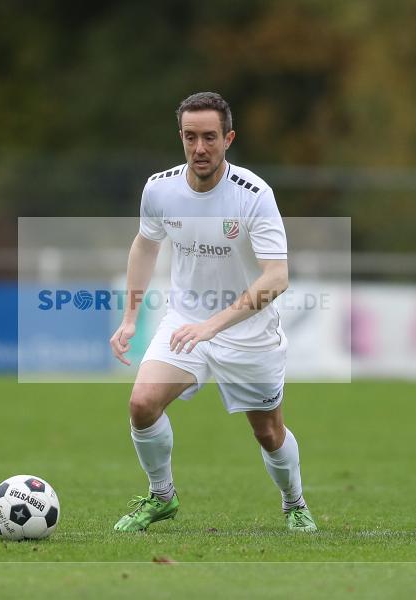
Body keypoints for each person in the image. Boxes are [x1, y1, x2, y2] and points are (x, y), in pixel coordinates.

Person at [109, 92, 316, 533]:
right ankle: (161, 496)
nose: (199, 148)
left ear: (228, 139)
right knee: (142, 404)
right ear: (180, 138)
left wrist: (214, 325)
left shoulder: (254, 195)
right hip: (186, 322)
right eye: (190, 137)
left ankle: (294, 501)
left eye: (209, 137)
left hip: (247, 333)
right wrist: (130, 317)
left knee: (268, 433)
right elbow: (145, 244)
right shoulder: (160, 188)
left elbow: (276, 278)